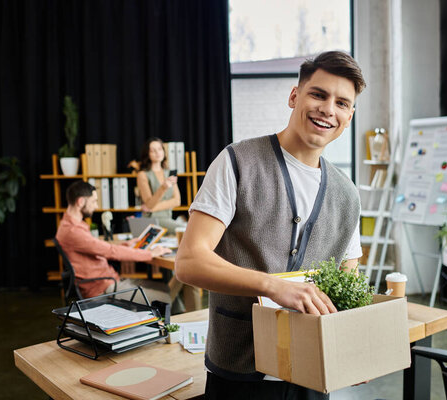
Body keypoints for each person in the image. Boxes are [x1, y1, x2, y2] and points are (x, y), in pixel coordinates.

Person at [175, 51, 366, 399]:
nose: (328, 109)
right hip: (239, 371)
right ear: (295, 96)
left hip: (313, 371)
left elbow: (348, 281)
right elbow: (189, 262)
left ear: (349, 116)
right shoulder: (237, 162)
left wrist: (351, 346)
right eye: (319, 94)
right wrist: (273, 287)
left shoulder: (348, 195)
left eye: (342, 103)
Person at [56, 181, 180, 304]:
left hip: (109, 282)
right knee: (165, 298)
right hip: (103, 289)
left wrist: (124, 245)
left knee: (167, 289)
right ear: (81, 202)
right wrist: (150, 254)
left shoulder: (70, 226)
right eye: (94, 201)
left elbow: (98, 248)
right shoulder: (73, 231)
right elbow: (111, 252)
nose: (96, 206)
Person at [137, 138, 187, 234]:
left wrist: (152, 209)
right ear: (147, 154)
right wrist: (163, 188)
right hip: (152, 220)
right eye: (153, 150)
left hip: (167, 218)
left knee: (187, 228)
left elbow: (177, 201)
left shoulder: (169, 173)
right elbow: (149, 204)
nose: (157, 153)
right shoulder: (143, 174)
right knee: (186, 230)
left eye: (160, 149)